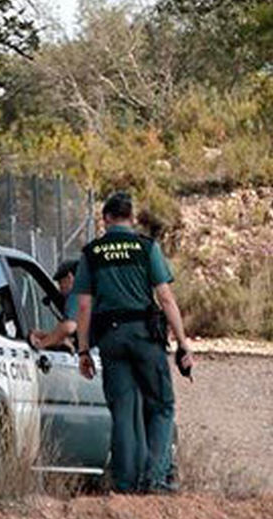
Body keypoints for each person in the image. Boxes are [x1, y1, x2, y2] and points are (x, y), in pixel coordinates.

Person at [74, 192, 193, 494]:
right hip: (145, 337)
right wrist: (182, 342)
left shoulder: (92, 252)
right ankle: (155, 479)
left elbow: (84, 306)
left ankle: (125, 485)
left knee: (123, 411)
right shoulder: (146, 247)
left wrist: (83, 350)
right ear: (132, 217)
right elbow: (165, 297)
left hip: (111, 339)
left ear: (106, 219)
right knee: (162, 406)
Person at [30, 259, 80, 350]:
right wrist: (44, 336)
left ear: (70, 277)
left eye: (61, 282)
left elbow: (68, 327)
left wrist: (40, 345)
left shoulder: (76, 295)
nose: (60, 288)